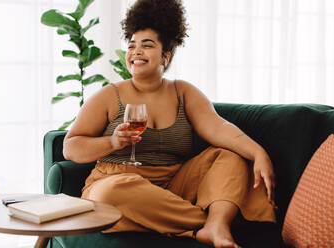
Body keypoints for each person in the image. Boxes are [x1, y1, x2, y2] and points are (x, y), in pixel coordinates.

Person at [62, 0, 276, 247]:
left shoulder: (183, 92)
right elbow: (71, 147)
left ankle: (213, 224)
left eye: (147, 45)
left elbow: (218, 128)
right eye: (132, 46)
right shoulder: (109, 96)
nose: (136, 52)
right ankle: (212, 222)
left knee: (230, 155)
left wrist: (259, 153)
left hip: (173, 186)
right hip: (118, 183)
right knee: (108, 194)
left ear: (166, 54)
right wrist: (112, 141)